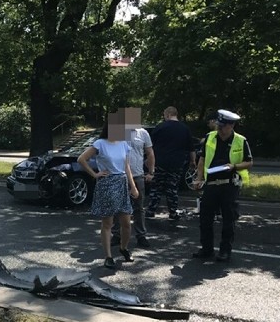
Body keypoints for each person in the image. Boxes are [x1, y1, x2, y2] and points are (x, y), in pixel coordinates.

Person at [191, 109, 253, 263]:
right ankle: (206, 249)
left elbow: (249, 162)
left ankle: (225, 251)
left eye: (223, 126)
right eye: (218, 125)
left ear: (231, 126)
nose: (219, 129)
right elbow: (202, 160)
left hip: (230, 185)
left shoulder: (241, 140)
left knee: (228, 220)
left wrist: (234, 166)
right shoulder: (210, 137)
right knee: (205, 218)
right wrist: (199, 179)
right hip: (211, 184)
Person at [78, 122, 140, 269]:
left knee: (126, 222)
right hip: (107, 184)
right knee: (108, 223)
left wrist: (133, 186)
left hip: (122, 183)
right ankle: (108, 256)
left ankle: (123, 248)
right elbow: (81, 159)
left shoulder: (124, 144)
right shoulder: (100, 143)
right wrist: (95, 174)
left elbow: (127, 167)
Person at [147, 106, 195, 223]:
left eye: (164, 115)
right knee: (172, 188)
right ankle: (173, 212)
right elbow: (191, 148)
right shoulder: (185, 129)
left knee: (157, 187)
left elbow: (150, 147)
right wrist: (192, 162)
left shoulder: (160, 127)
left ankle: (151, 210)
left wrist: (148, 162)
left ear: (168, 114)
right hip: (177, 163)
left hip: (160, 162)